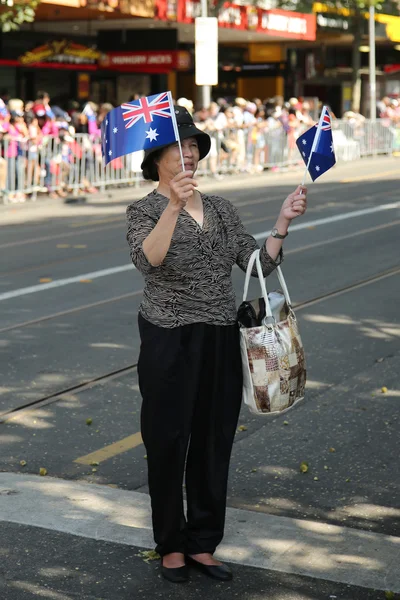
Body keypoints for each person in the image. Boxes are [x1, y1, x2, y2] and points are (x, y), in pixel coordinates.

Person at [125, 106, 307, 584]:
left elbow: (255, 264)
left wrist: (282, 222)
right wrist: (172, 206)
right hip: (168, 337)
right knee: (167, 441)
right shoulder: (142, 210)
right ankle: (170, 543)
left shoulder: (222, 209)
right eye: (179, 147)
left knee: (212, 440)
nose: (189, 154)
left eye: (194, 147)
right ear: (156, 157)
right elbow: (150, 262)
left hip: (220, 336)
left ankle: (203, 543)